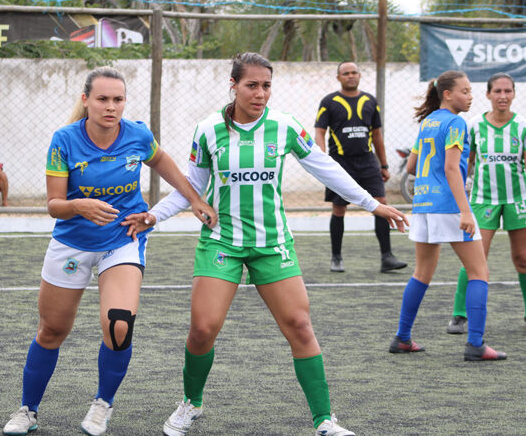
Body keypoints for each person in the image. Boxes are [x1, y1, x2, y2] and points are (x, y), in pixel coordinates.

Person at [122, 53, 407, 436]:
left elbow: (325, 167)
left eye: (266, 85)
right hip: (222, 240)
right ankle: (191, 403)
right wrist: (154, 215)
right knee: (202, 329)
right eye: (251, 85)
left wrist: (374, 204)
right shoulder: (208, 130)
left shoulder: (285, 126)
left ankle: (324, 420)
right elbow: (191, 190)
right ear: (234, 85)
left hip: (273, 243)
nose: (260, 93)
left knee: (300, 326)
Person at [1, 67, 216, 436]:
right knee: (52, 330)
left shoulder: (137, 135)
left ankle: (102, 404)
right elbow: (54, 204)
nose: (111, 107)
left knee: (119, 325)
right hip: (73, 240)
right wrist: (79, 205)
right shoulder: (64, 140)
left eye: (118, 99)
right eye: (102, 99)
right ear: (86, 101)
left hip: (122, 238)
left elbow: (163, 162)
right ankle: (28, 410)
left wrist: (195, 199)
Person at [389, 70, 506, 362]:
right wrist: (465, 210)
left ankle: (402, 338)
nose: (470, 96)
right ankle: (476, 344)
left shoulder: (428, 122)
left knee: (421, 273)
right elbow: (454, 169)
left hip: (423, 205)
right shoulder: (456, 123)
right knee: (479, 272)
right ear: (447, 94)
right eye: (465, 91)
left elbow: (413, 166)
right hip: (449, 207)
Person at [446, 72, 526, 333]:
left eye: (508, 91)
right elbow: (463, 165)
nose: (503, 96)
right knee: (475, 257)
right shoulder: (473, 126)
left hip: (518, 200)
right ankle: (460, 314)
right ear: (488, 94)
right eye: (498, 91)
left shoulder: (522, 126)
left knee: (523, 258)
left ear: (514, 94)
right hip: (483, 200)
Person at [315, 61, 407, 273]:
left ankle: (387, 256)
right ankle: (336, 258)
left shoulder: (370, 101)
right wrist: (322, 161)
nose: (350, 76)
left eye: (354, 72)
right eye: (346, 73)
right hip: (340, 162)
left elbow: (377, 135)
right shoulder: (329, 102)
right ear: (339, 77)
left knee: (381, 204)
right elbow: (320, 132)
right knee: (339, 208)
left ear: (359, 75)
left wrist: (383, 165)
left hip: (367, 162)